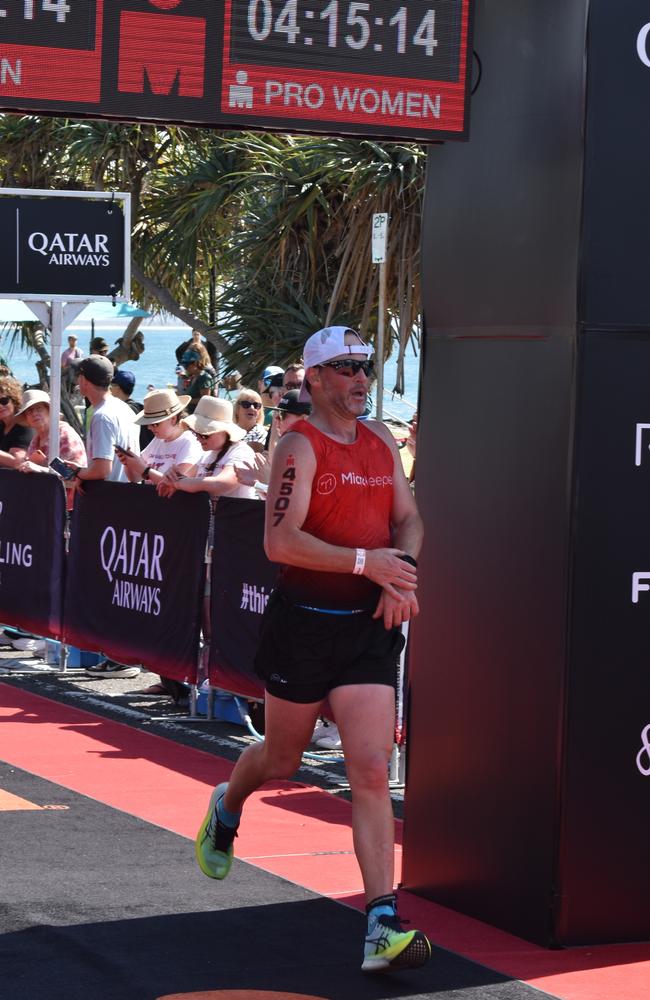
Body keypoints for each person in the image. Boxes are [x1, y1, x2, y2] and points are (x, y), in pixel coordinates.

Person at [194, 326, 430, 973]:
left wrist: (399, 571)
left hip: (366, 630)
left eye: (367, 367)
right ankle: (228, 804)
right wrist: (367, 562)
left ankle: (381, 922)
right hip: (303, 624)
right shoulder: (298, 445)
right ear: (317, 379)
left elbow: (408, 517)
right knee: (282, 756)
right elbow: (280, 543)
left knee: (372, 770)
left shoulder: (382, 438)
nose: (361, 379)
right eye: (347, 368)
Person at [66, 354, 141, 680]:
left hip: (112, 506)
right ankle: (122, 654)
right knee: (122, 582)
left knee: (113, 580)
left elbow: (101, 467)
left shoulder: (102, 415)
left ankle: (120, 656)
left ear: (83, 380)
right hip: (127, 502)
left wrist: (77, 473)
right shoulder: (122, 408)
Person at [157, 396, 257, 502]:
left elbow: (222, 484)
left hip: (232, 517)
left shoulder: (241, 452)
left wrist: (177, 483)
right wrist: (171, 477)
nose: (198, 438)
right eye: (195, 432)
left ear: (225, 431)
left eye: (204, 434)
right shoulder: (207, 453)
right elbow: (186, 479)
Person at [15, 389, 87, 509]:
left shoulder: (64, 434)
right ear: (27, 418)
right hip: (44, 506)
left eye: (39, 409)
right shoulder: (36, 439)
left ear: (49, 411)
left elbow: (74, 477)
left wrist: (41, 469)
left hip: (67, 510)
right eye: (29, 411)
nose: (34, 414)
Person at [117, 388, 200, 486]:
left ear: (173, 419)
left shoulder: (191, 443)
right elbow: (135, 478)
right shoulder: (159, 439)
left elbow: (176, 484)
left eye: (155, 424)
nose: (149, 427)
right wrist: (129, 463)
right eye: (148, 423)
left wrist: (145, 470)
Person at [110, 368, 153, 449]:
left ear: (118, 387)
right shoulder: (141, 408)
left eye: (112, 385)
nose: (110, 388)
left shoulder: (121, 411)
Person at [0, 375, 33, 468]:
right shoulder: (2, 425)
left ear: (14, 400)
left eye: (4, 401)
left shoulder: (25, 424)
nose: (0, 406)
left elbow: (17, 462)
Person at [182, 349, 216, 413]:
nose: (185, 368)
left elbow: (205, 400)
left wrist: (186, 400)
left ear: (195, 363)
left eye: (186, 365)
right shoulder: (193, 377)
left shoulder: (204, 378)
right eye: (183, 365)